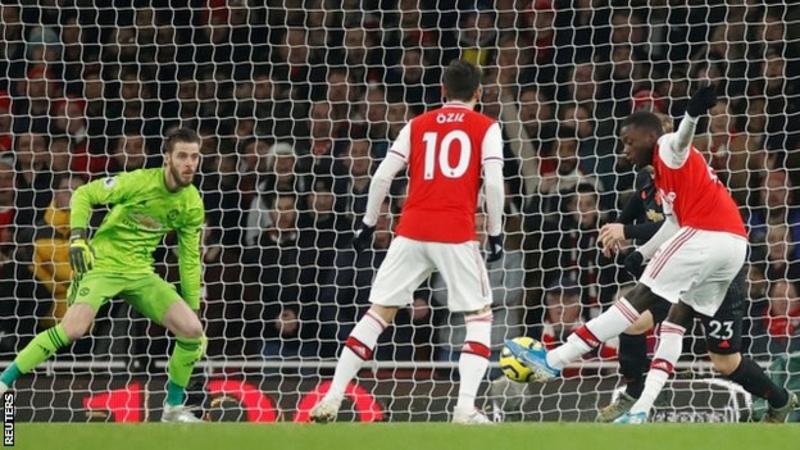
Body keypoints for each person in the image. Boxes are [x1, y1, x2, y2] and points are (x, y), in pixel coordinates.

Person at [507, 85, 798, 423]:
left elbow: (681, 139)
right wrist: (641, 253)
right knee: (678, 325)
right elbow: (672, 225)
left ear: (649, 137)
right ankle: (642, 408)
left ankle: (554, 360)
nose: (625, 150)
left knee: (634, 302)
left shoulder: (666, 147)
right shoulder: (665, 178)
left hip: (706, 236)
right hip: (732, 247)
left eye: (629, 142)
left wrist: (692, 113)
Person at [310, 60, 505, 424]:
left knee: (376, 315)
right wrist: (494, 232)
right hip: (455, 231)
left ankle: (332, 396)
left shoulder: (417, 124)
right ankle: (464, 409)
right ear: (479, 93)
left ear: (442, 91)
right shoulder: (487, 126)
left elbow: (383, 175)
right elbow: (493, 183)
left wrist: (368, 223)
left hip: (411, 230)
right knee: (479, 318)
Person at [0, 128, 207, 423]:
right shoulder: (137, 181)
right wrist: (78, 237)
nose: (189, 164)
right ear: (167, 158)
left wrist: (193, 306)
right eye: (182, 156)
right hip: (103, 265)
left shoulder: (191, 202)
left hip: (140, 272)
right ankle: (4, 381)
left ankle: (173, 409)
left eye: (195, 157)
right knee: (73, 329)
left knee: (192, 330)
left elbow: (189, 258)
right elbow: (84, 193)